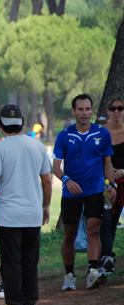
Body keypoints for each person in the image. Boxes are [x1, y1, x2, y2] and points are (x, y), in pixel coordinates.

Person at [0, 104, 51, 305]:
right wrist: (45, 206)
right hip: (32, 214)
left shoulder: (0, 148)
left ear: (0, 124)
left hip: (9, 215)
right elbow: (47, 180)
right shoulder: (37, 146)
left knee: (11, 262)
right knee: (30, 261)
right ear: (22, 123)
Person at [53, 94, 115, 292]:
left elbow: (108, 164)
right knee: (69, 234)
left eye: (88, 109)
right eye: (80, 109)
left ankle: (92, 271)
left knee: (93, 231)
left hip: (95, 190)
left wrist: (110, 186)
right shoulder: (64, 135)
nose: (84, 113)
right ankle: (69, 275)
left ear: (92, 111)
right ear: (73, 111)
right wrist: (67, 180)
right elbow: (55, 166)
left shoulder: (102, 134)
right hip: (71, 192)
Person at [99, 96, 124, 274]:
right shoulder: (102, 132)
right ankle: (106, 258)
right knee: (108, 220)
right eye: (113, 108)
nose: (116, 112)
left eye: (120, 108)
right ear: (108, 110)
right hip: (108, 184)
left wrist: (122, 172)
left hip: (123, 180)